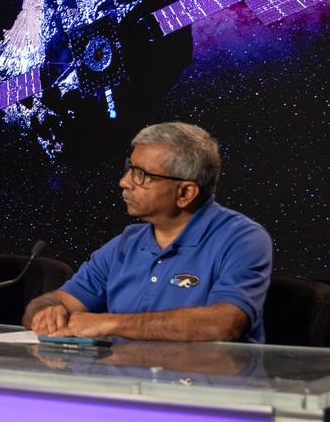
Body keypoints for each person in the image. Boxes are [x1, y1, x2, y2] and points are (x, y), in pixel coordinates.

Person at [23, 122, 272, 342]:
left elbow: (223, 324)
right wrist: (47, 311)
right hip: (124, 385)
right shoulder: (125, 244)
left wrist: (109, 323)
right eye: (129, 168)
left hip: (205, 390)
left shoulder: (242, 239)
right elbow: (55, 301)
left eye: (141, 174)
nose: (124, 181)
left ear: (185, 193)